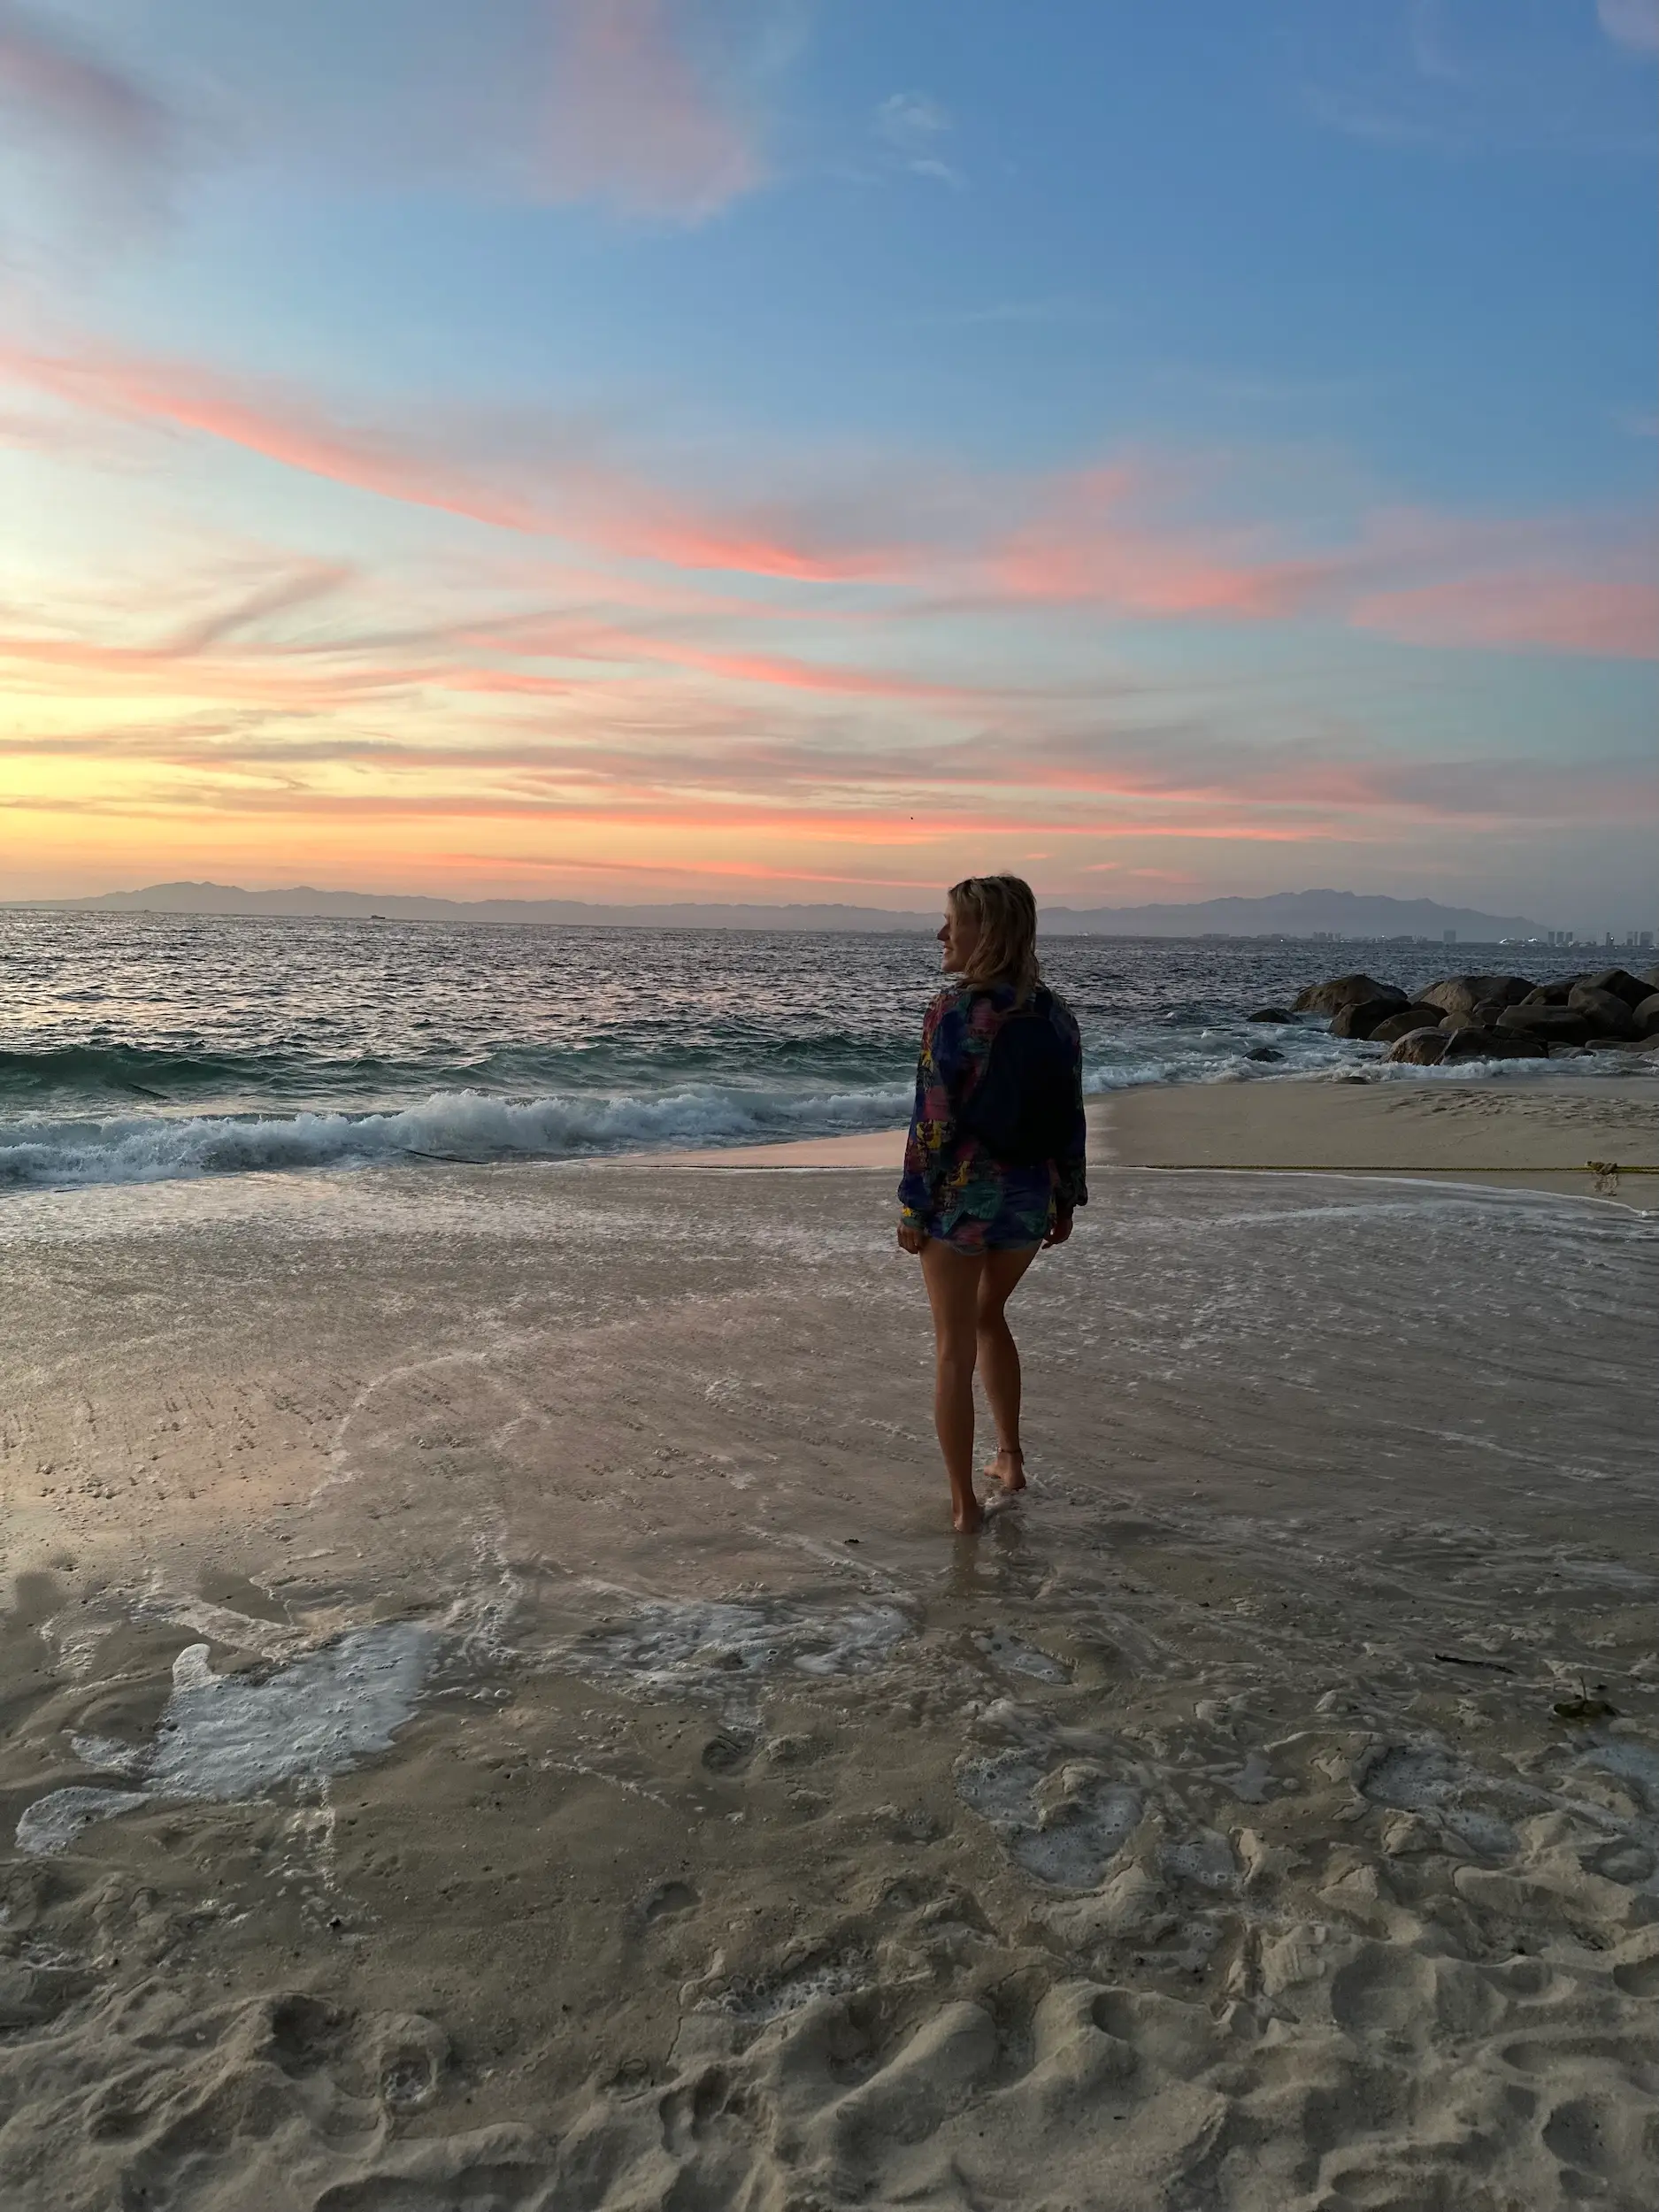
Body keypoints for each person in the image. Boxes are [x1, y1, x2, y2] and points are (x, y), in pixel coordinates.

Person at [896, 875, 1087, 1532]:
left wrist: (912, 1205)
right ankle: (1009, 1459)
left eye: (952, 923)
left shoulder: (954, 1011)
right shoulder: (1055, 1014)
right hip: (1029, 1198)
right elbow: (1070, 1115)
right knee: (988, 1315)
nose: (941, 934)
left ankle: (963, 1506)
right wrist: (1066, 1197)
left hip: (960, 1199)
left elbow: (933, 1117)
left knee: (953, 1346)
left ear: (988, 932)